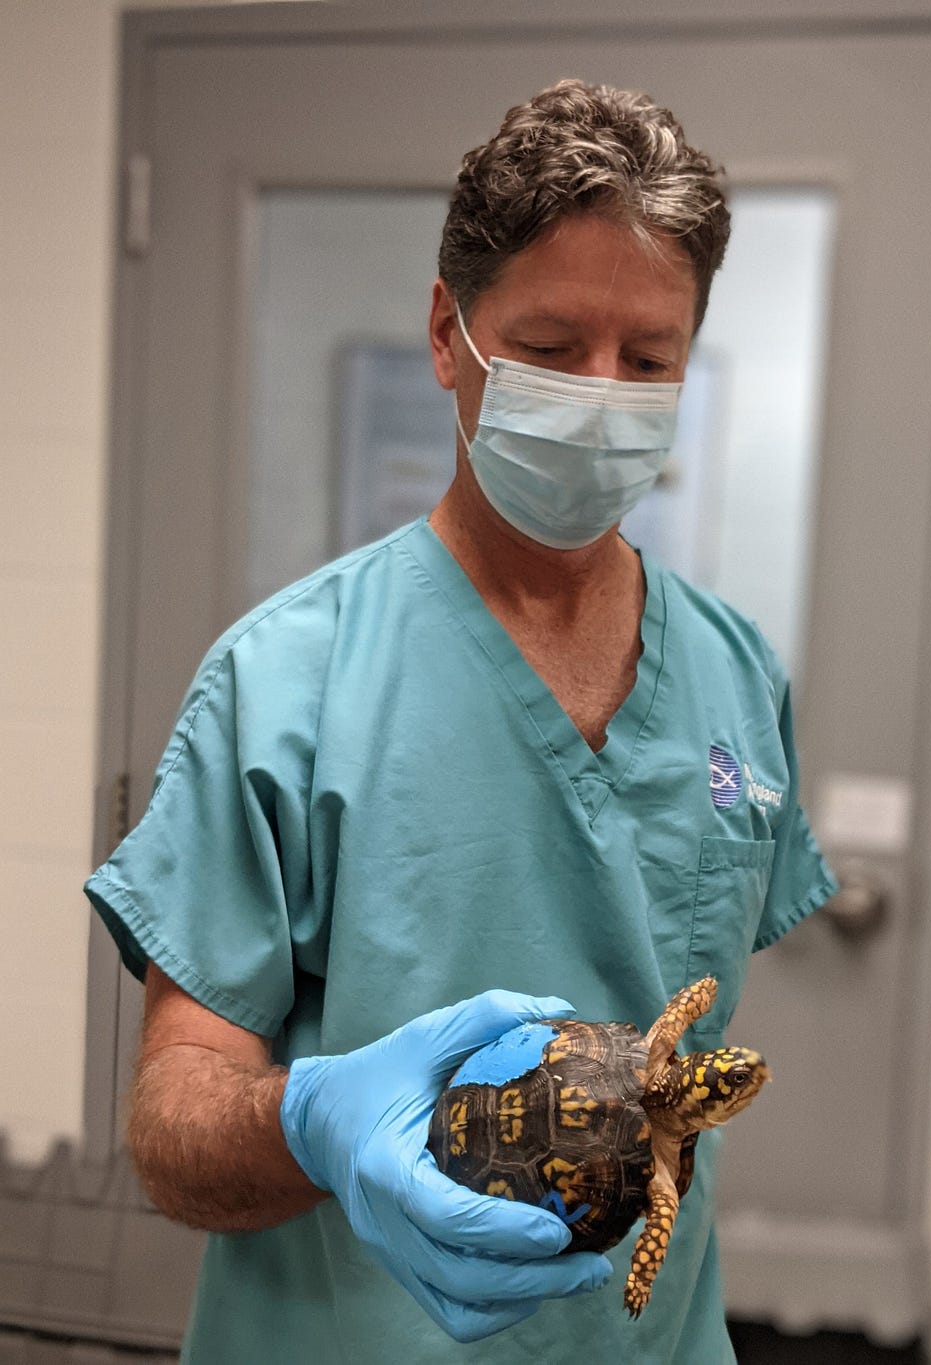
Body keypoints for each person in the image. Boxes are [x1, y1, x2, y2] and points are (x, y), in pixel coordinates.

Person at [85, 78, 837, 1363]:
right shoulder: (287, 683)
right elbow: (171, 1134)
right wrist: (313, 1123)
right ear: (449, 335)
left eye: (647, 361)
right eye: (549, 347)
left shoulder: (733, 673)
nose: (602, 394)